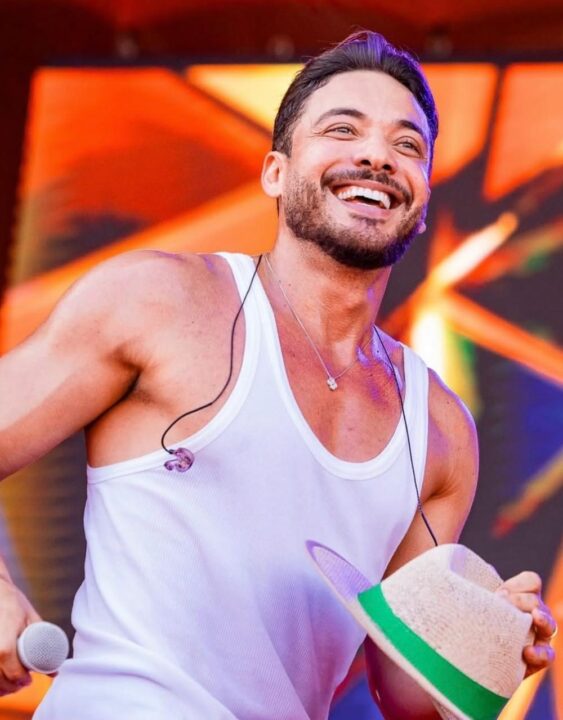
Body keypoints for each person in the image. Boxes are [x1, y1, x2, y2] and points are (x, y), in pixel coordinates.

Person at [0, 30, 556, 720]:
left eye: (407, 145)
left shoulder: (442, 429)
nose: (377, 155)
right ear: (274, 172)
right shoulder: (160, 301)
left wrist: (486, 643)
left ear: (421, 198)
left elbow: (401, 695)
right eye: (342, 130)